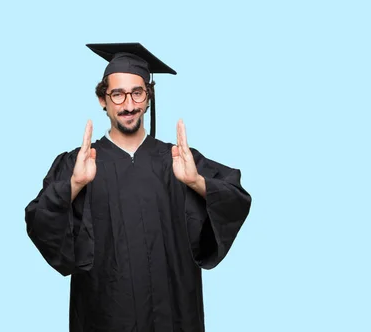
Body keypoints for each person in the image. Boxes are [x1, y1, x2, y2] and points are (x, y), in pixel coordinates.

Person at [24, 42, 252, 332]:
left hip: (173, 311)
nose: (128, 104)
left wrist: (197, 182)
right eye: (117, 94)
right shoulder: (78, 163)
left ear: (148, 98)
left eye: (137, 92)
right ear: (102, 100)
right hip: (103, 312)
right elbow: (38, 221)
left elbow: (237, 200)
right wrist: (74, 185)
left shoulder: (180, 159)